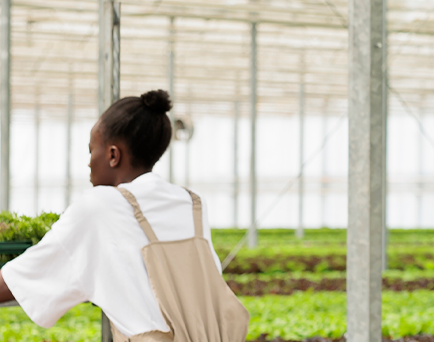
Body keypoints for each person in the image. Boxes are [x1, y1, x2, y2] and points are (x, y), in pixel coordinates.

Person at [0, 90, 250, 341]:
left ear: (112, 155)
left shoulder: (98, 206)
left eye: (91, 151)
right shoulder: (193, 203)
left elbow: (16, 281)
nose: (88, 163)